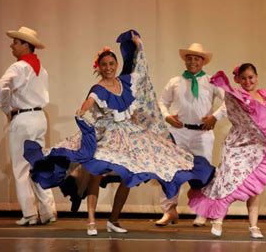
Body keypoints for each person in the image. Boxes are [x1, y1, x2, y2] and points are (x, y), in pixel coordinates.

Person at [23, 30, 214, 236]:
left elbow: (140, 70)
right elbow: (89, 101)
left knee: (128, 174)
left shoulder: (125, 82)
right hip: (107, 134)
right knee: (96, 172)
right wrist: (82, 110)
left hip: (128, 135)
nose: (108, 68)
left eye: (111, 64)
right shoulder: (99, 88)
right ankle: (91, 221)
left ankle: (113, 219)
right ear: (99, 67)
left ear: (115, 65)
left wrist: (139, 45)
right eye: (104, 65)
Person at [188, 63, 266, 239]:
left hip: (259, 149)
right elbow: (226, 106)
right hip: (239, 146)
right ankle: (218, 219)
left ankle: (254, 226)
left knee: (256, 188)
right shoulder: (236, 96)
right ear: (238, 80)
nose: (248, 81)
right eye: (243, 78)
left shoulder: (265, 94)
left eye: (251, 77)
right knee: (229, 180)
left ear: (256, 77)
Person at [157, 43, 226, 227]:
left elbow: (230, 101)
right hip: (178, 132)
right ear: (185, 60)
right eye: (190, 58)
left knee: (202, 174)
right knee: (171, 171)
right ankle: (169, 210)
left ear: (203, 62)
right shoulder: (175, 81)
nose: (193, 61)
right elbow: (162, 102)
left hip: (201, 134)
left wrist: (215, 116)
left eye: (197, 58)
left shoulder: (211, 82)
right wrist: (167, 117)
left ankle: (201, 212)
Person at [0, 26, 57, 226]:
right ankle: (48, 210)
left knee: (21, 167)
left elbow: (1, 86)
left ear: (25, 45)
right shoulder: (42, 69)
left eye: (15, 42)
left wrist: (6, 108)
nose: (12, 45)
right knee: (37, 164)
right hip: (39, 118)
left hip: (23, 118)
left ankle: (30, 213)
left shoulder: (19, 67)